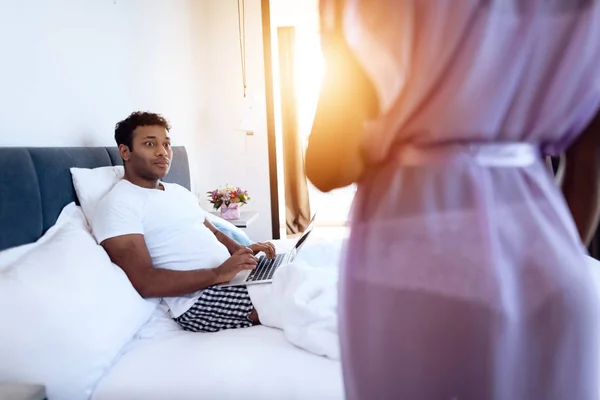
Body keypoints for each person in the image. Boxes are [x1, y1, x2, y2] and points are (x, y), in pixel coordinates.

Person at [306, 1, 600, 399]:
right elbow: (589, 162)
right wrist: (552, 261)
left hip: (413, 272)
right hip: (549, 269)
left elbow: (328, 165)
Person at [93, 111, 276, 333]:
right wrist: (218, 274)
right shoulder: (118, 204)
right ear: (125, 151)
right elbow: (145, 282)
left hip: (233, 278)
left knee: (302, 277)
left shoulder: (178, 191)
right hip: (200, 300)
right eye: (150, 144)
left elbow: (214, 232)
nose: (163, 152)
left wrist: (243, 251)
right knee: (296, 298)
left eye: (167, 144)